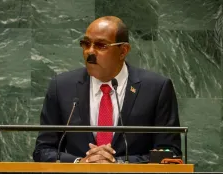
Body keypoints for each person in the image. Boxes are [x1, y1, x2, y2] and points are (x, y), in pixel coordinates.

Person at [33, 16, 181, 163]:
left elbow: (169, 153)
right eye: (86, 44)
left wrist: (119, 163)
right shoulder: (62, 87)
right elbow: (43, 150)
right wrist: (80, 162)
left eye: (101, 45)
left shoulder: (156, 88)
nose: (90, 52)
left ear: (123, 51)